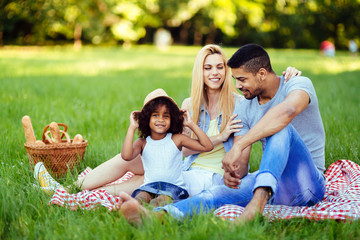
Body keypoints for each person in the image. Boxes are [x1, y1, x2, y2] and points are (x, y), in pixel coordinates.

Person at [34, 44, 301, 199]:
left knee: (151, 178)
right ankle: (69, 189)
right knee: (130, 159)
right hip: (184, 163)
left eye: (220, 67)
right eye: (208, 67)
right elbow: (179, 148)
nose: (215, 73)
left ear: (227, 71)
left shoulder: (240, 105)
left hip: (212, 175)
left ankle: (80, 196)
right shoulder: (188, 106)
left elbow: (240, 162)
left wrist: (289, 76)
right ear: (200, 71)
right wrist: (210, 138)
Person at [114, 43, 326, 225]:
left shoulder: (297, 84)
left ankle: (257, 203)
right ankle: (156, 217)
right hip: (273, 185)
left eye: (241, 79)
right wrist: (231, 173)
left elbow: (287, 112)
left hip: (308, 182)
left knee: (282, 128)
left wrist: (239, 146)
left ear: (261, 74)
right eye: (235, 79)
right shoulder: (245, 107)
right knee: (215, 193)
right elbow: (241, 166)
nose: (237, 85)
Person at [121, 88, 213, 206]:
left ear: (172, 119)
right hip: (149, 187)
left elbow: (207, 146)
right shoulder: (142, 143)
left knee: (160, 201)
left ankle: (150, 215)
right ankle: (129, 208)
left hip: (173, 188)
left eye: (166, 116)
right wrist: (132, 127)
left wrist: (190, 124)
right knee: (140, 197)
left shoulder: (177, 139)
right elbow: (126, 156)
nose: (161, 120)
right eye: (155, 115)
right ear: (147, 119)